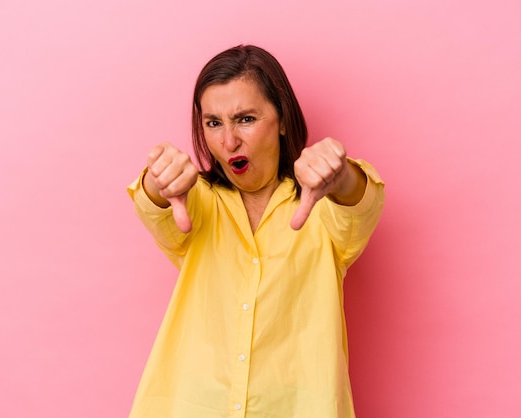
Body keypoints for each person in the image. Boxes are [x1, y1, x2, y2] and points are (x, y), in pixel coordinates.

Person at [127, 44, 385, 418]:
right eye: (213, 123)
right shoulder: (197, 200)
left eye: (245, 119)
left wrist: (340, 174)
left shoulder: (323, 208)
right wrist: (158, 180)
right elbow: (154, 206)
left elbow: (361, 201)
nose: (228, 141)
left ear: (282, 120)